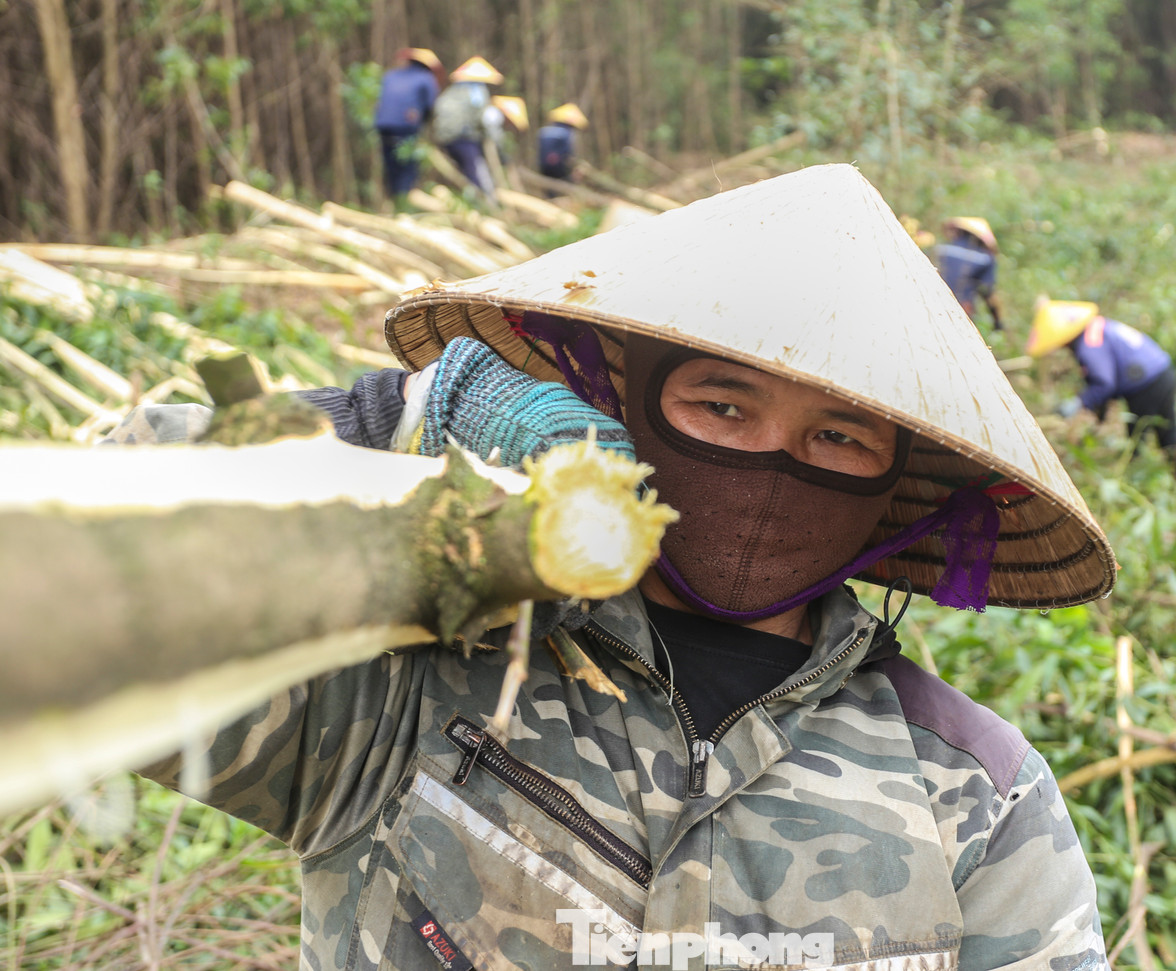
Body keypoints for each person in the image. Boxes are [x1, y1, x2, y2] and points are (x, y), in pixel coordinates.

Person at [137, 165, 1117, 970]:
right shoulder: (406, 665)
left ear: (894, 485)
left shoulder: (974, 796)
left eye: (838, 436)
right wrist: (381, 422)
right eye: (721, 408)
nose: (775, 470)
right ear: (627, 401)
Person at [1028, 296, 1176, 481]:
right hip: (1163, 373)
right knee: (1168, 435)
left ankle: (1135, 481)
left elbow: (1104, 383)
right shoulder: (1095, 328)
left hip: (1147, 385)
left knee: (1138, 442)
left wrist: (1078, 402)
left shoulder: (1088, 345)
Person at [373, 48, 445, 207]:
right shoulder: (426, 78)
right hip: (406, 127)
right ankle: (404, 202)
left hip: (383, 126)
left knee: (390, 164)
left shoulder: (390, 75)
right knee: (407, 166)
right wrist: (423, 121)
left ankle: (393, 200)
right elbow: (430, 105)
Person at [432, 56, 506, 203]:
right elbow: (485, 119)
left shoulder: (451, 91)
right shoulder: (477, 91)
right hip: (463, 138)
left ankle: (468, 201)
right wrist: (497, 144)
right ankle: (484, 203)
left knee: (463, 172)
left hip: (445, 139)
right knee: (475, 173)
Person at [935, 216, 1004, 332]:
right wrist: (997, 321)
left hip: (931, 302)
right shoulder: (985, 259)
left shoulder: (940, 250)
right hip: (960, 312)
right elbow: (988, 294)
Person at [537, 102, 588, 184]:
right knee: (562, 183)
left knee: (549, 186)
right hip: (559, 167)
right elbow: (567, 151)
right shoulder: (566, 133)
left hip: (544, 165)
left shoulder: (544, 131)